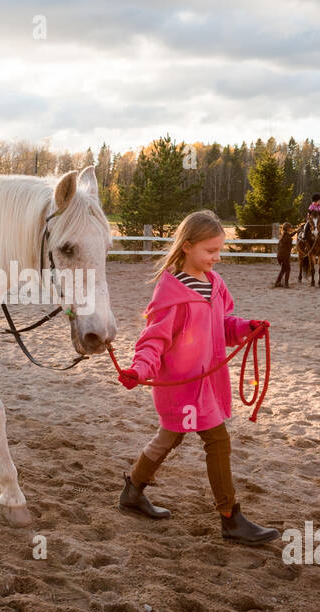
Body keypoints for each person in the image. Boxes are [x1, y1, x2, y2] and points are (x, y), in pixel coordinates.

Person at [116, 209, 279, 543]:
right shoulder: (171, 295)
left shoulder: (215, 285)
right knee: (217, 441)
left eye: (219, 251)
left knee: (169, 438)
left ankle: (132, 492)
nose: (216, 258)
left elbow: (221, 327)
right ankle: (230, 518)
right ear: (187, 246)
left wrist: (245, 328)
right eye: (210, 251)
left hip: (208, 384)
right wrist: (139, 369)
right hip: (182, 387)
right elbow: (153, 340)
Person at [274, 221, 295, 287]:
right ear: (288, 228)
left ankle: (277, 282)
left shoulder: (284, 234)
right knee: (288, 269)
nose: (291, 229)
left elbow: (290, 235)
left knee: (283, 269)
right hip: (284, 256)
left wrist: (296, 231)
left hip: (280, 255)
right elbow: (289, 244)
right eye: (290, 228)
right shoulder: (287, 237)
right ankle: (286, 284)